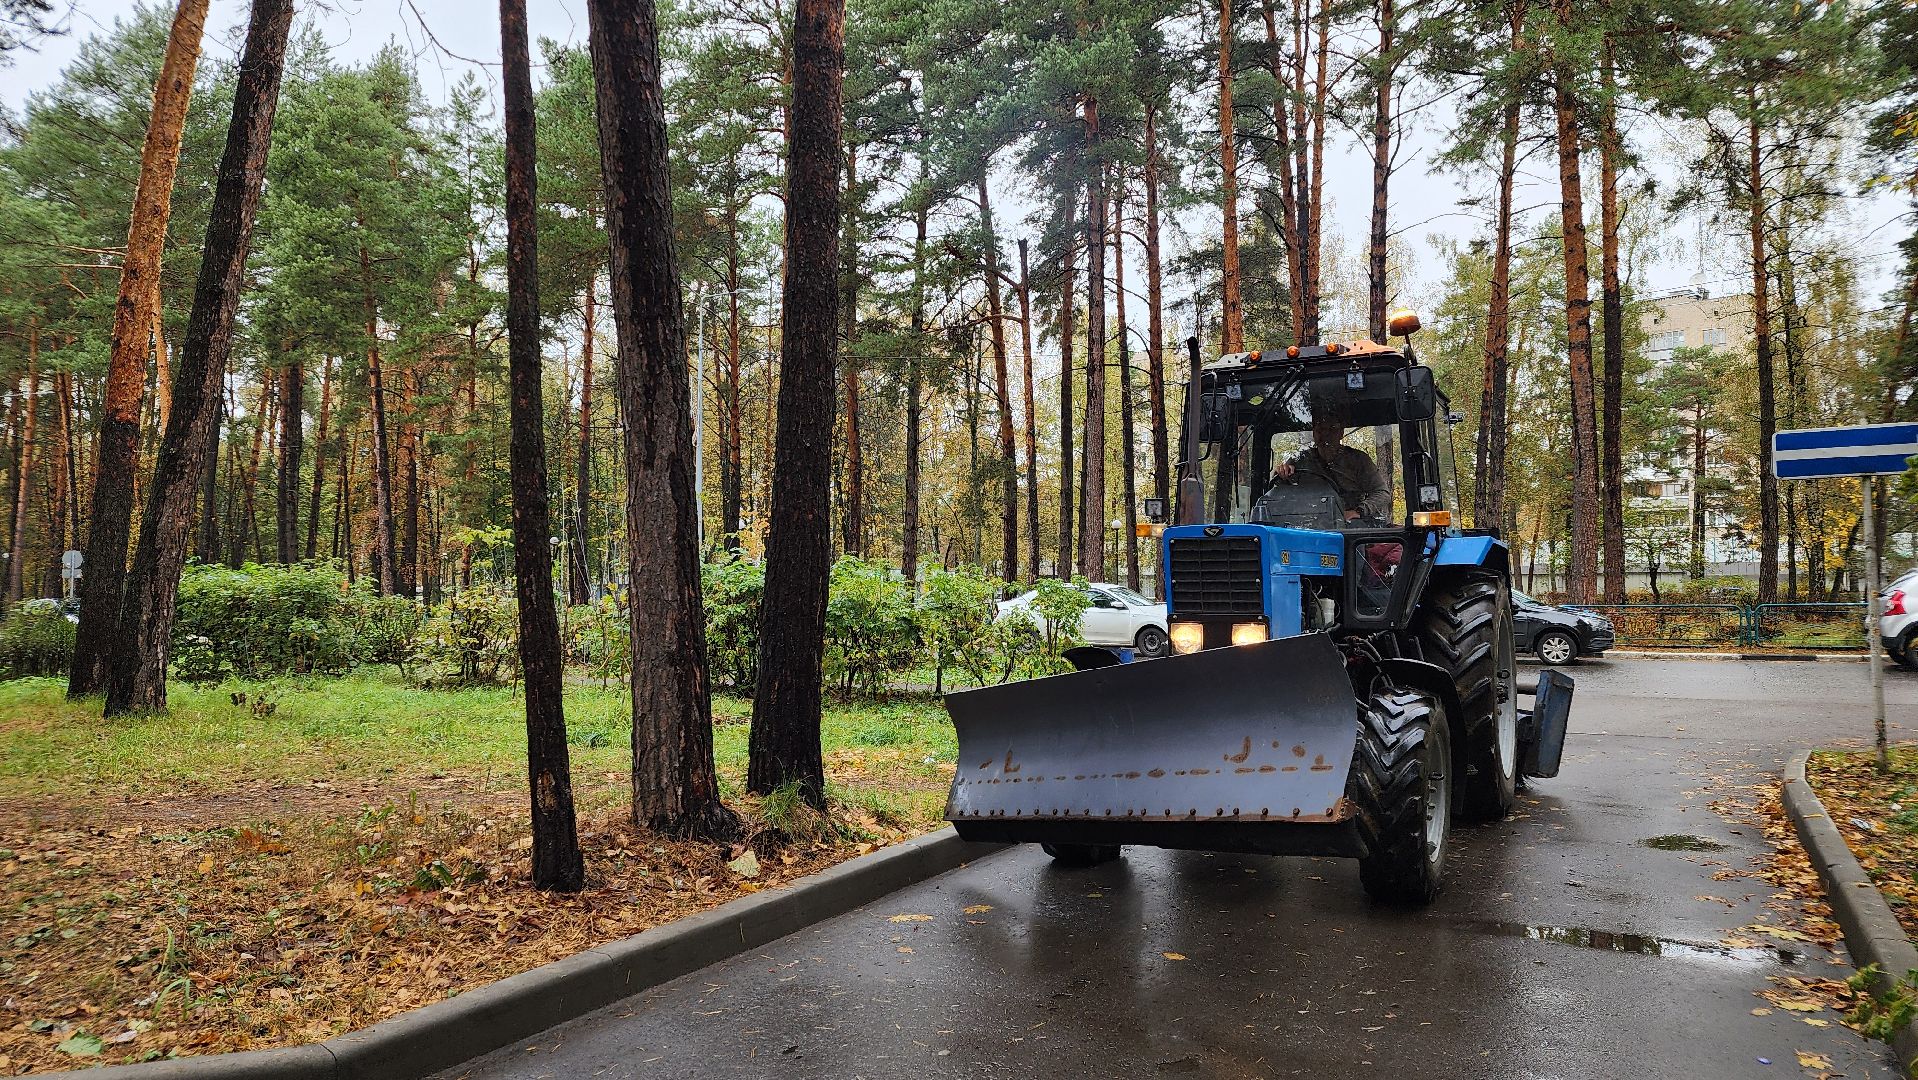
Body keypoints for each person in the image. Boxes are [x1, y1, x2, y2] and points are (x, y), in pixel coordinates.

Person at [1270, 407, 1390, 522]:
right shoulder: (1299, 460)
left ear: (1341, 433)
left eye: (1332, 429)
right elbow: (1277, 490)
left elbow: (1382, 493)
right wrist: (1282, 473)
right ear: (1314, 433)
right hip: (1308, 524)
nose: (1325, 434)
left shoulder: (1358, 460)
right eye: (1320, 429)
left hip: (1349, 527)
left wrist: (1358, 512)